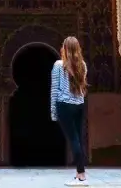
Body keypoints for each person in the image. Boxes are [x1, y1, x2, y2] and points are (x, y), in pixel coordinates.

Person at [50, 36, 88, 186]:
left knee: (73, 140)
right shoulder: (83, 65)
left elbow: (54, 90)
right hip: (79, 105)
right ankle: (80, 174)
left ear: (64, 48)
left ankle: (82, 175)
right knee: (78, 139)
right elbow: (82, 89)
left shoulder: (59, 65)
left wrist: (53, 112)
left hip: (64, 105)